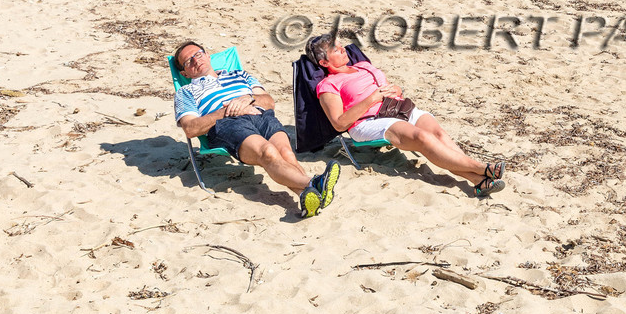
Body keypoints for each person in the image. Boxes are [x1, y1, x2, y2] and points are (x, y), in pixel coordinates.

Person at [305, 33, 504, 194]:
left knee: (439, 135)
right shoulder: (328, 85)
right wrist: (371, 100)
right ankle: (480, 167)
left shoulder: (363, 66)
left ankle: (479, 181)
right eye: (335, 50)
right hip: (369, 121)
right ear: (324, 63)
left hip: (397, 108)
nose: (343, 49)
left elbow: (387, 87)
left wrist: (396, 90)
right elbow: (339, 123)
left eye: (341, 45)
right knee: (422, 138)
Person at [173, 41, 341, 218]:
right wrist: (228, 110)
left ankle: (306, 197)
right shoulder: (186, 92)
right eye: (188, 61)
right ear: (184, 73)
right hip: (228, 124)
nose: (195, 60)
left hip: (262, 116)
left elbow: (269, 102)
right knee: (268, 152)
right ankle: (314, 182)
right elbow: (190, 128)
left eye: (198, 54)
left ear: (207, 55)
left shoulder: (239, 74)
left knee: (287, 153)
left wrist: (248, 98)